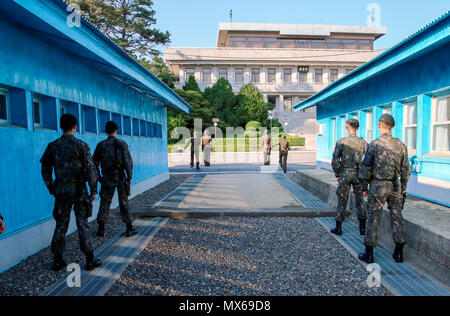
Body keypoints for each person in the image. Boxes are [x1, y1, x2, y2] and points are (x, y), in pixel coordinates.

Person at [40, 114, 102, 272]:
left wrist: (51, 187)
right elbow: (91, 170)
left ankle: (57, 260)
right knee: (82, 223)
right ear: (75, 126)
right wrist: (94, 190)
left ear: (62, 126)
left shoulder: (52, 146)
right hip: (79, 190)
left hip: (61, 190)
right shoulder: (81, 145)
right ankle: (89, 260)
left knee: (61, 224)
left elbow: (45, 169)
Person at [358, 114, 411, 264]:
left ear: (379, 125)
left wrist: (364, 186)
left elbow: (365, 168)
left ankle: (369, 254)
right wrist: (404, 188)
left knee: (373, 218)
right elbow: (406, 170)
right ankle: (399, 252)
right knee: (397, 217)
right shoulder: (400, 145)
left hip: (378, 185)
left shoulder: (374, 145)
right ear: (392, 127)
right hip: (395, 186)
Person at [94, 121, 137, 238]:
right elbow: (128, 162)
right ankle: (129, 228)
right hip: (120, 177)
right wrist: (129, 177)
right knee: (124, 202)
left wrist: (99, 177)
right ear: (116, 130)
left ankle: (101, 229)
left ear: (106, 131)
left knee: (105, 202)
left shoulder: (101, 145)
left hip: (107, 178)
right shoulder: (121, 143)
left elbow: (94, 163)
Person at [331, 119, 368, 236]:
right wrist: (365, 178)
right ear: (357, 128)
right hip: (359, 174)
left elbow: (335, 160)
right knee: (360, 200)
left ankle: (339, 227)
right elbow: (367, 162)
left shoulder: (341, 142)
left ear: (348, 127)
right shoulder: (363, 143)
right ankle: (362, 228)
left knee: (342, 200)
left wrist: (337, 174)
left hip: (345, 174)